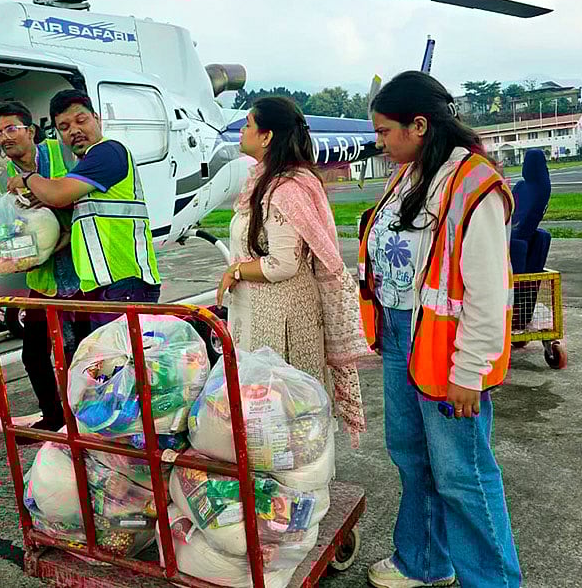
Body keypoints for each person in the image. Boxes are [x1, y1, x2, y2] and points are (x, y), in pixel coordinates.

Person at [358, 71, 521, 588]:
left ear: (419, 125)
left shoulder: (473, 183)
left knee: (461, 473)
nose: (379, 142)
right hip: (400, 336)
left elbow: (489, 291)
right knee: (411, 455)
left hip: (445, 349)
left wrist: (469, 371)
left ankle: (492, 581)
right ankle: (424, 561)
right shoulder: (409, 173)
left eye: (385, 131)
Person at [214, 96, 367, 448]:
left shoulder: (286, 189)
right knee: (266, 415)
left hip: (282, 319)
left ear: (267, 136)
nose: (242, 132)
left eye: (248, 125)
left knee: (286, 416)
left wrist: (235, 271)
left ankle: (297, 477)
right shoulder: (267, 181)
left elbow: (283, 263)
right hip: (263, 313)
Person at [21, 89, 162, 330]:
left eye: (81, 120)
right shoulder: (84, 166)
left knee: (121, 354)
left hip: (125, 284)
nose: (74, 130)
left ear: (97, 119)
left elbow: (57, 194)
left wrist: (27, 178)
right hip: (104, 286)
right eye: (64, 127)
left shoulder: (107, 152)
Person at [0, 100, 82, 432]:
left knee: (80, 352)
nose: (4, 137)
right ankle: (54, 418)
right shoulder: (1, 182)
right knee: (34, 353)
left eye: (11, 128)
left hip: (80, 272)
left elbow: (87, 194)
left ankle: (85, 422)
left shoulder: (62, 154)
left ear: (30, 131)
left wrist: (51, 200)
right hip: (43, 278)